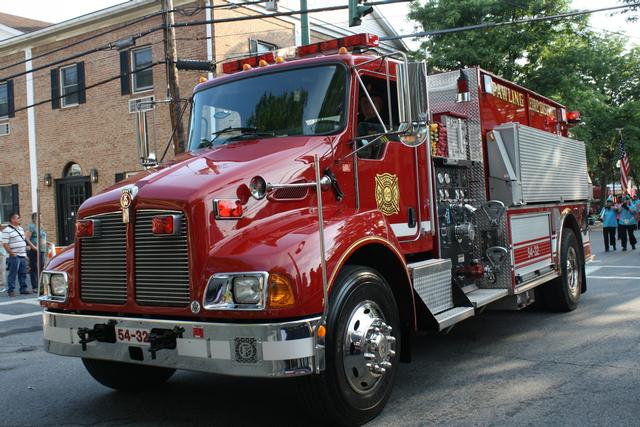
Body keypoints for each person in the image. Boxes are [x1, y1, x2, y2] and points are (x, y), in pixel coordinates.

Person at [1, 213, 37, 296]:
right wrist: (12, 253)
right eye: (18, 218)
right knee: (13, 273)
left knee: (23, 273)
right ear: (12, 219)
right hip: (14, 255)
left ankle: (23, 289)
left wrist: (26, 247)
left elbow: (22, 240)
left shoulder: (20, 228)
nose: (19, 219)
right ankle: (11, 290)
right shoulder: (7, 230)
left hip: (22, 254)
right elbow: (5, 244)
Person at [26, 212, 47, 293]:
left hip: (42, 250)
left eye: (41, 217)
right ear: (35, 218)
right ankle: (35, 286)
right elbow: (27, 238)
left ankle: (41, 286)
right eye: (39, 217)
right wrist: (34, 247)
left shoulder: (41, 227)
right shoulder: (31, 226)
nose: (41, 218)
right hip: (34, 251)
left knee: (41, 268)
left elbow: (43, 238)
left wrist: (47, 243)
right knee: (34, 268)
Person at [0, 223, 6, 293]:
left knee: (2, 270)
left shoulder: (1, 234)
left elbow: (1, 244)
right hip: (1, 253)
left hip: (1, 253)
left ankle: (2, 286)